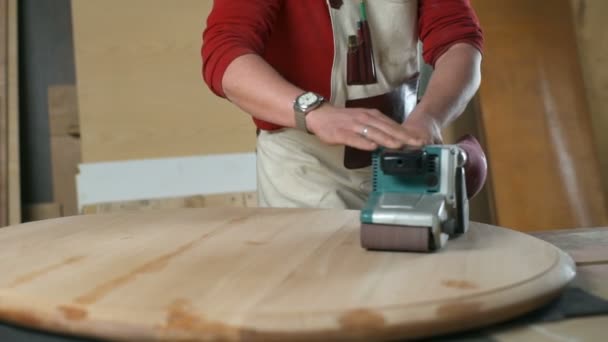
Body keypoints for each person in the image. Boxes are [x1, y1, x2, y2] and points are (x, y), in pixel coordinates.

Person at [201, 0, 483, 209]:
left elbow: (458, 40)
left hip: (403, 159)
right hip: (306, 169)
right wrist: (313, 112)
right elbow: (225, 53)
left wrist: (429, 117)